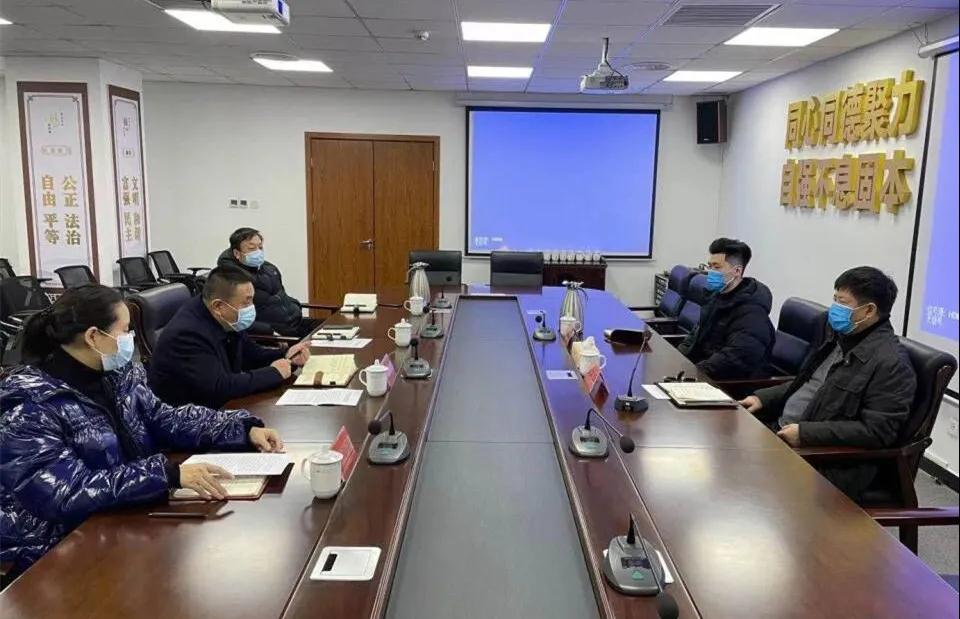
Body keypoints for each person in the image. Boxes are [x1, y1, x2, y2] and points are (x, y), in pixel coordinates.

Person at [0, 285, 284, 576]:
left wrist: (239, 428)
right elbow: (66, 494)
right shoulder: (28, 406)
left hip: (124, 516)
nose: (131, 339)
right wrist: (166, 474)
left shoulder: (116, 375)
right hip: (54, 547)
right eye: (125, 330)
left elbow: (165, 419)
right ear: (93, 336)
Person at [740, 266, 916, 500]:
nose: (834, 309)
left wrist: (806, 433)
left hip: (823, 460)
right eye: (835, 300)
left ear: (869, 310)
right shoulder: (839, 339)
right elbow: (807, 383)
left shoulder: (891, 363)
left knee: (738, 485)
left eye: (842, 303)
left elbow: (877, 431)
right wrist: (763, 398)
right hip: (782, 433)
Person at [148, 267, 311, 409]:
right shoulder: (188, 334)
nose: (251, 308)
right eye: (246, 303)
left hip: (218, 407)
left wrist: (287, 355)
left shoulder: (224, 318)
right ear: (218, 306)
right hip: (187, 420)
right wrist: (273, 373)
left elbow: (250, 354)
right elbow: (220, 387)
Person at [678, 238, 776, 379]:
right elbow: (694, 337)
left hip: (730, 384)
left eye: (717, 267)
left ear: (737, 271)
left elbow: (734, 359)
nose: (710, 272)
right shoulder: (717, 297)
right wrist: (678, 360)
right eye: (710, 266)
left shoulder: (752, 312)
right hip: (703, 372)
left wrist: (694, 373)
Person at [217, 227, 320, 338]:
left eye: (260, 247)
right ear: (237, 253)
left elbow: (282, 296)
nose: (258, 252)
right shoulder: (230, 279)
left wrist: (295, 305)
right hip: (275, 334)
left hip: (294, 323)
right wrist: (269, 332)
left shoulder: (269, 269)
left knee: (328, 328)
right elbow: (233, 319)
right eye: (252, 248)